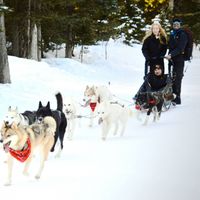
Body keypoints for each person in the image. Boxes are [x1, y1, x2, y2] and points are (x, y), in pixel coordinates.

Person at [165, 18, 188, 105]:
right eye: (174, 24)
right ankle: (172, 97)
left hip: (179, 60)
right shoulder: (172, 34)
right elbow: (170, 46)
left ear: (180, 25)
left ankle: (177, 99)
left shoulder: (183, 34)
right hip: (171, 60)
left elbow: (180, 48)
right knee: (171, 78)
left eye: (177, 24)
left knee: (177, 78)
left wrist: (171, 55)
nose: (176, 26)